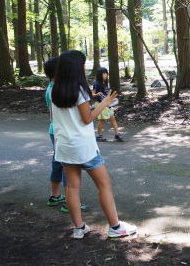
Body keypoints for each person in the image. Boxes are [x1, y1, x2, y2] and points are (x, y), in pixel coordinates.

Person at [51, 50, 136, 239]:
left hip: (64, 146)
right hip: (83, 147)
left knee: (72, 188)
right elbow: (88, 118)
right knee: (104, 184)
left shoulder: (55, 90)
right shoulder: (80, 91)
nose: (84, 66)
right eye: (82, 63)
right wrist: (104, 103)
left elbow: (55, 118)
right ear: (76, 67)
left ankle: (79, 229)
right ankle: (115, 227)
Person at [44, 57, 89, 214]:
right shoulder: (56, 90)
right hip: (60, 132)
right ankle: (68, 201)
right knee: (66, 166)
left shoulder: (52, 88)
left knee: (57, 163)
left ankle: (55, 196)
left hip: (55, 132)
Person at [92, 67, 123, 142]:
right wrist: (97, 94)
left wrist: (112, 100)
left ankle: (117, 134)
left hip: (107, 104)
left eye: (106, 73)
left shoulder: (106, 84)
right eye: (104, 74)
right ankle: (99, 135)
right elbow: (92, 94)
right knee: (102, 120)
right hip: (100, 104)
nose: (105, 75)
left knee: (113, 118)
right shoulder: (96, 84)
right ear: (100, 75)